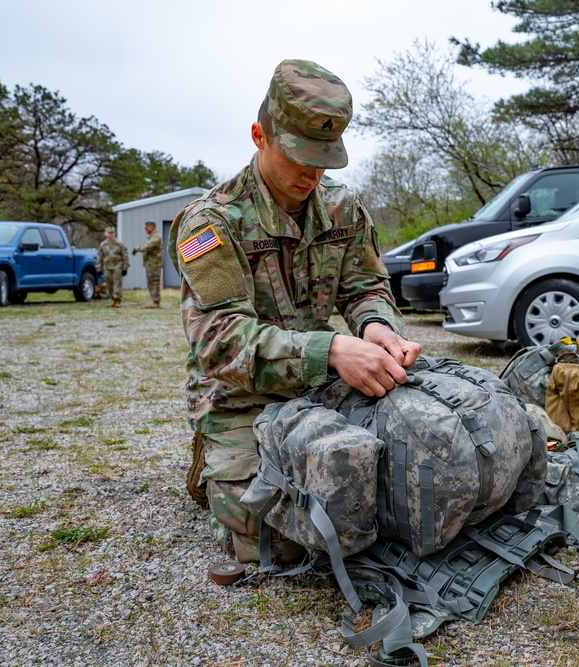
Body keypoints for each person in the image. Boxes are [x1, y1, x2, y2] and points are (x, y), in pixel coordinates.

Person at [169, 59, 423, 562]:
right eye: (299, 157)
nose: (313, 173)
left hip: (325, 379)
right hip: (242, 394)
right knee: (275, 531)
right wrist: (330, 349)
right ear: (259, 135)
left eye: (325, 159)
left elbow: (366, 286)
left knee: (421, 473)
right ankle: (217, 458)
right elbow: (220, 340)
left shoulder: (342, 208)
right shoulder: (210, 222)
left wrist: (376, 327)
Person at [132, 220, 164, 308]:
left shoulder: (156, 237)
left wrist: (137, 248)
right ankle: (155, 301)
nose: (145, 230)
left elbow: (148, 248)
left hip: (154, 265)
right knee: (151, 282)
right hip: (151, 264)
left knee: (154, 282)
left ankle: (156, 302)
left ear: (151, 227)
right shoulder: (152, 237)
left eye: (146, 228)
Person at [97, 226, 129, 308]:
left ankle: (118, 299)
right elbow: (100, 256)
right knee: (109, 283)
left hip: (117, 266)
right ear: (105, 234)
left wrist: (125, 267)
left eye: (112, 233)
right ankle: (113, 298)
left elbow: (125, 255)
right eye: (109, 233)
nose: (111, 234)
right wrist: (98, 268)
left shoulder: (120, 244)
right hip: (107, 266)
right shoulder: (103, 244)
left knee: (117, 283)